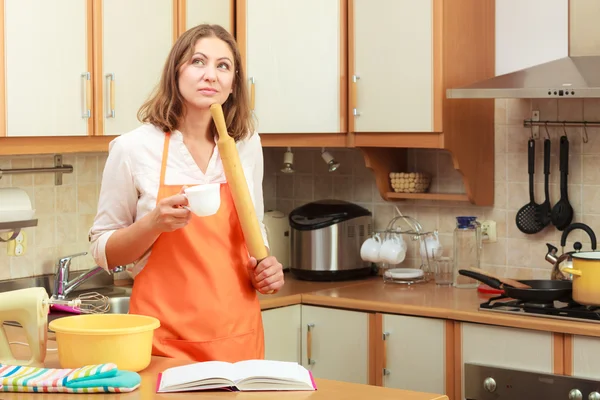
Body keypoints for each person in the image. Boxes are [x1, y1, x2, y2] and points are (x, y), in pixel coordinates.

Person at [88, 24, 285, 363]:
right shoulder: (134, 149)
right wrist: (153, 224)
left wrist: (265, 267)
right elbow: (104, 252)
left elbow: (255, 227)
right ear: (176, 71)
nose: (211, 75)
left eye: (223, 66)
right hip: (164, 344)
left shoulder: (246, 144)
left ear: (234, 82)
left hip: (238, 340)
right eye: (198, 61)